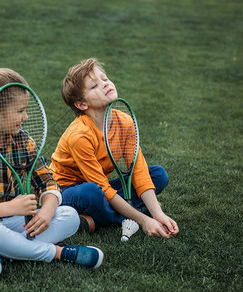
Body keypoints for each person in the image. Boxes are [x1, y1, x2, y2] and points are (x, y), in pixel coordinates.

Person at [0, 66, 104, 278]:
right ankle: (58, 252)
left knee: (71, 216)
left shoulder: (23, 141)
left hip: (14, 223)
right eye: (20, 111)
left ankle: (1, 252)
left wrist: (47, 210)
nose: (26, 116)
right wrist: (10, 206)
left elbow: (48, 182)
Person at [50, 58, 179, 238]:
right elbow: (100, 187)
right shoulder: (79, 135)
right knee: (92, 192)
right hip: (65, 191)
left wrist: (158, 214)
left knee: (157, 175)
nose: (104, 84)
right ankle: (125, 215)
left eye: (104, 78)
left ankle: (93, 219)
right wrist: (144, 220)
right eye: (94, 86)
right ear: (81, 104)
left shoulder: (125, 122)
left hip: (99, 185)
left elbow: (138, 170)